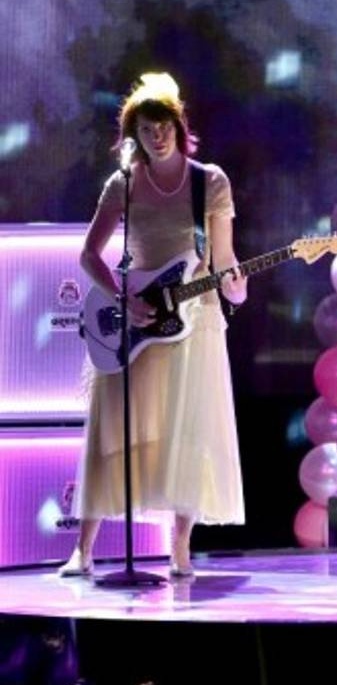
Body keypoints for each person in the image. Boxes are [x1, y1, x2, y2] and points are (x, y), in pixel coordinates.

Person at [60, 72, 247, 578]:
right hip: (134, 316)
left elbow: (225, 261)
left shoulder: (211, 181)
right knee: (111, 428)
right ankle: (84, 548)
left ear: (179, 127)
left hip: (197, 320)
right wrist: (125, 296)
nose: (156, 136)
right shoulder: (122, 183)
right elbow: (89, 256)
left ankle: (180, 546)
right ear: (133, 136)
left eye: (163, 125)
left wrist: (236, 285)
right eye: (146, 129)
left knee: (189, 431)